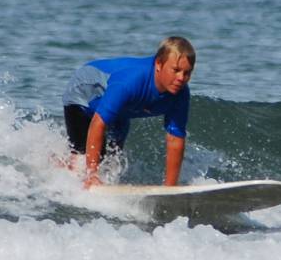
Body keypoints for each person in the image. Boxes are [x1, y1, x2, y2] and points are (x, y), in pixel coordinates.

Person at [61, 36, 196, 187]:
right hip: (83, 96)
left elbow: (175, 139)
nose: (181, 78)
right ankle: (61, 173)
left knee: (112, 164)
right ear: (159, 64)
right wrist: (92, 174)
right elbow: (98, 124)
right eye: (176, 70)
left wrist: (170, 187)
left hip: (122, 110)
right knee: (81, 164)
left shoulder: (180, 94)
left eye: (187, 73)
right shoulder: (130, 82)